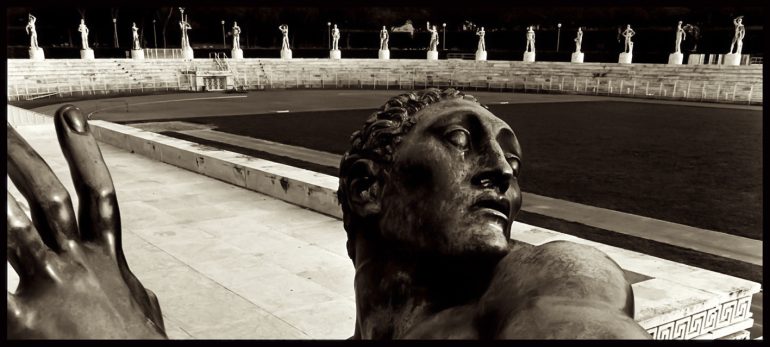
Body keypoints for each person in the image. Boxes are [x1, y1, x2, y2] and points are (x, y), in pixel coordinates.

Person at [7, 89, 651, 339]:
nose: (504, 169)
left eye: (512, 153)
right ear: (370, 186)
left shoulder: (551, 280)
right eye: (464, 139)